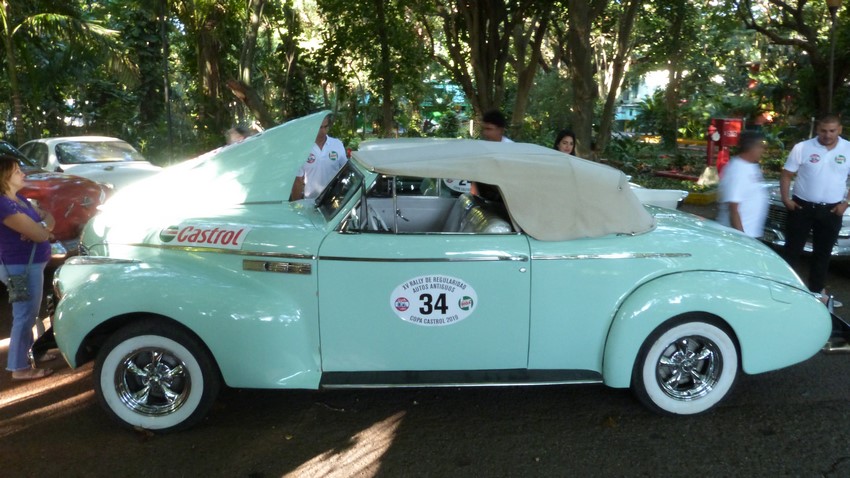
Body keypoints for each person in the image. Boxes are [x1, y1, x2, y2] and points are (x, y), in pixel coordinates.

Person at [780, 114, 850, 295]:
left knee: (822, 254)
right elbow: (787, 174)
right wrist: (786, 199)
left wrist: (846, 204)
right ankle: (786, 290)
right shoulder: (802, 147)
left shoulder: (848, 149)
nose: (827, 135)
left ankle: (816, 292)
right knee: (792, 251)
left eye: (832, 131)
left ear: (839, 130)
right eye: (824, 130)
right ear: (817, 129)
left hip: (832, 210)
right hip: (801, 208)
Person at [0, 155, 55, 380]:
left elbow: (47, 219)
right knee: (24, 315)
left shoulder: (19, 199)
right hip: (20, 267)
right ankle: (19, 367)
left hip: (29, 265)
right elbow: (42, 233)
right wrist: (41, 230)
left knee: (30, 313)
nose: (23, 174)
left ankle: (29, 355)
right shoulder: (4, 205)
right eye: (16, 171)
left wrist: (40, 229)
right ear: (4, 177)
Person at [716, 131, 768, 238]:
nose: (763, 150)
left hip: (751, 234)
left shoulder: (752, 166)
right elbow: (733, 208)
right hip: (736, 237)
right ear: (750, 147)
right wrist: (742, 238)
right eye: (760, 147)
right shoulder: (737, 169)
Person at [289, 115, 348, 201]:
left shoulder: (337, 144)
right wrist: (295, 206)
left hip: (333, 201)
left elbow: (345, 170)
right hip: (310, 202)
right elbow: (298, 180)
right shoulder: (302, 148)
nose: (323, 131)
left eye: (325, 127)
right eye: (320, 127)